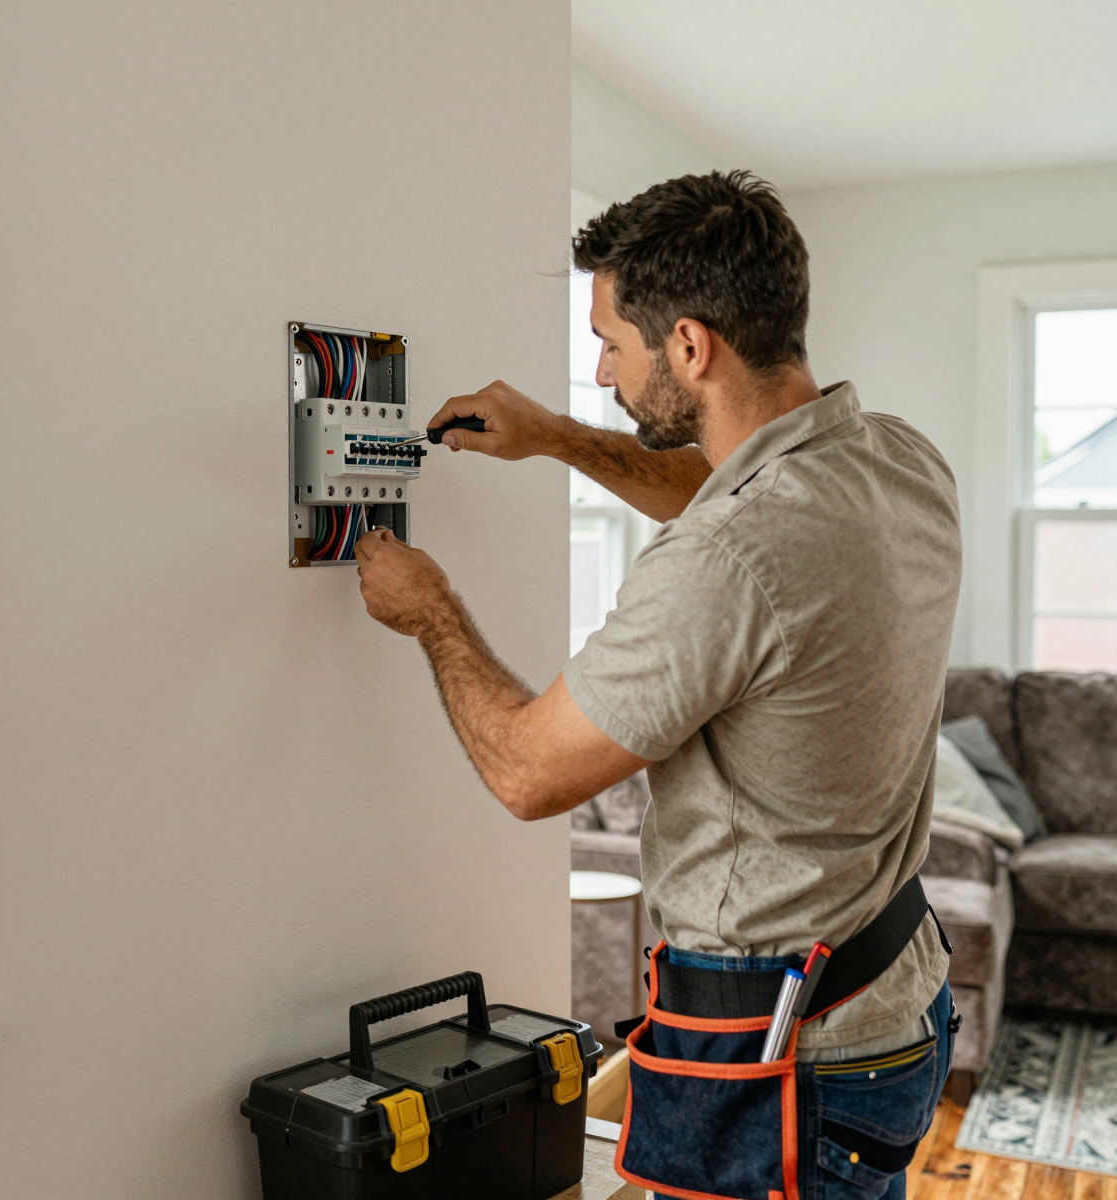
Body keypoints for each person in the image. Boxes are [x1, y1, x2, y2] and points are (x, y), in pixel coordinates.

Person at [353, 171, 961, 1200]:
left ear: (687, 344)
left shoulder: (727, 562)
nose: (599, 371)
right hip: (893, 999)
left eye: (609, 342)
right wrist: (555, 436)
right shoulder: (893, 458)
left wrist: (432, 613)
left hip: (780, 1057)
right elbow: (728, 486)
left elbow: (526, 771)